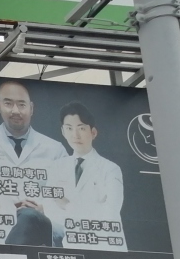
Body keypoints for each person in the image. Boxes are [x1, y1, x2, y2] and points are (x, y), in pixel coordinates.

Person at [0, 79, 66, 246]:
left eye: (22, 104)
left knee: (29, 217)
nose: (15, 110)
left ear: (31, 108)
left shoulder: (54, 149)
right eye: (8, 103)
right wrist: (8, 210)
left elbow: (66, 198)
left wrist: (42, 210)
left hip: (43, 232)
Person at [40, 102, 126, 250]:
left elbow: (110, 212)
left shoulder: (110, 169)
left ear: (93, 132)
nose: (75, 135)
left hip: (106, 247)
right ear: (63, 132)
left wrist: (67, 205)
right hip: (71, 245)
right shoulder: (56, 167)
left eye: (81, 128)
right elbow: (49, 210)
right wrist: (91, 209)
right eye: (69, 128)